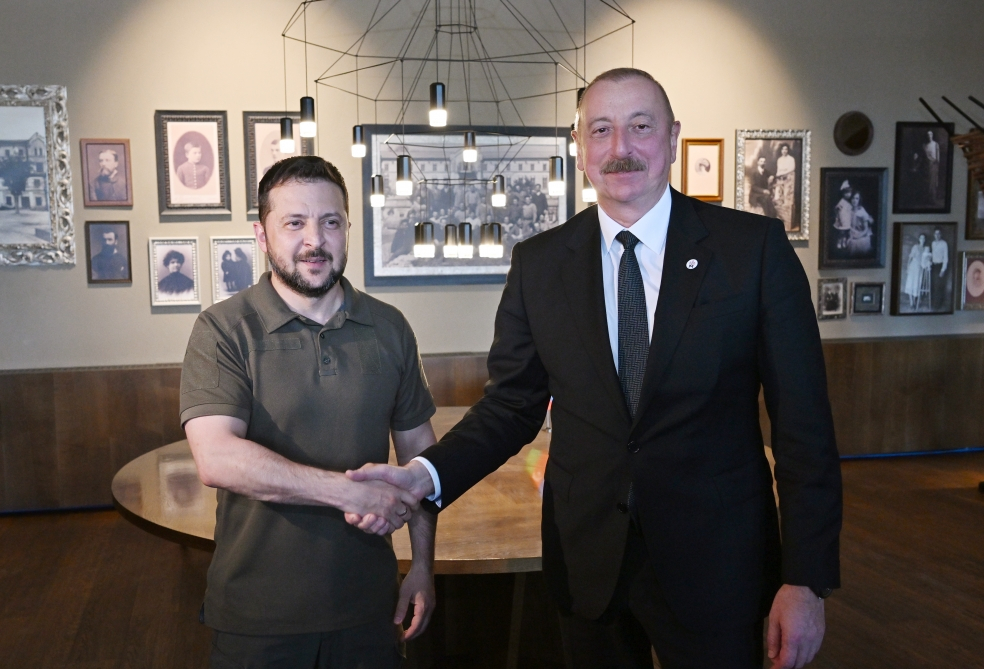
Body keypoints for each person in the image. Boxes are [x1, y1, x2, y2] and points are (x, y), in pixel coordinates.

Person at [347, 68, 842, 669]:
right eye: (601, 130)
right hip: (587, 565)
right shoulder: (539, 264)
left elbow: (804, 429)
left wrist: (806, 579)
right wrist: (426, 475)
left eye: (640, 126)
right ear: (579, 148)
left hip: (717, 566)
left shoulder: (753, 250)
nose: (620, 148)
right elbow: (511, 406)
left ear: (673, 138)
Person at [179, 156, 437, 668]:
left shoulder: (390, 328)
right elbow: (217, 458)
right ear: (262, 235)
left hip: (368, 608)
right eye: (294, 222)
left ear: (347, 229)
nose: (314, 240)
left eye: (330, 222)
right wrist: (346, 492)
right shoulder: (223, 329)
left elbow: (423, 459)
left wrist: (424, 566)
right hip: (257, 615)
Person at [773, 143, 796, 230]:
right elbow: (778, 170)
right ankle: (779, 218)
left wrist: (783, 173)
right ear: (781, 150)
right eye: (783, 149)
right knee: (778, 197)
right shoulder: (779, 159)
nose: (784, 151)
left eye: (786, 149)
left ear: (788, 150)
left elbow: (791, 169)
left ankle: (788, 222)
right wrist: (779, 175)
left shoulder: (791, 159)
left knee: (787, 198)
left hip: (788, 180)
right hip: (780, 179)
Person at [904, 233, 928, 309]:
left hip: (920, 268)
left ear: (925, 240)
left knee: (917, 285)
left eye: (923, 238)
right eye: (921, 238)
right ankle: (911, 303)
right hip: (913, 267)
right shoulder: (915, 247)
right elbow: (910, 257)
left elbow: (926, 259)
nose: (922, 240)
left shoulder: (925, 249)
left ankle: (915, 301)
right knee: (911, 283)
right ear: (919, 239)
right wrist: (908, 267)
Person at [846, 192, 873, 256]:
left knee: (855, 243)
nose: (854, 200)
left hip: (862, 235)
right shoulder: (848, 210)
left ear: (859, 200)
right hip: (852, 233)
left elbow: (866, 229)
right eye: (853, 198)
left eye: (857, 198)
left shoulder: (862, 212)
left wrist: (858, 236)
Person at [930, 227, 949, 310]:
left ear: (941, 235)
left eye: (939, 234)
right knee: (933, 285)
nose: (937, 235)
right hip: (933, 266)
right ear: (934, 235)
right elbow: (932, 255)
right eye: (936, 234)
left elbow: (946, 257)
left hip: (940, 266)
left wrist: (943, 270)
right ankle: (933, 304)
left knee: (938, 286)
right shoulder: (933, 243)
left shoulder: (944, 244)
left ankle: (937, 306)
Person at [832, 181, 853, 251]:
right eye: (846, 193)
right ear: (843, 193)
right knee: (841, 233)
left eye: (849, 192)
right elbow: (837, 209)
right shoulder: (842, 201)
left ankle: (844, 242)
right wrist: (837, 216)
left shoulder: (850, 202)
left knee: (846, 233)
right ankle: (839, 242)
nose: (848, 194)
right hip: (842, 219)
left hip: (847, 220)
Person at [923, 130, 940, 203]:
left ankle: (933, 199)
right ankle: (928, 199)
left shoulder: (936, 144)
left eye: (930, 135)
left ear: (932, 135)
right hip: (928, 164)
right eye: (928, 135)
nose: (929, 136)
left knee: (933, 182)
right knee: (928, 182)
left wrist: (936, 163)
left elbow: (938, 155)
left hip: (934, 164)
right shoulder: (926, 145)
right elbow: (925, 156)